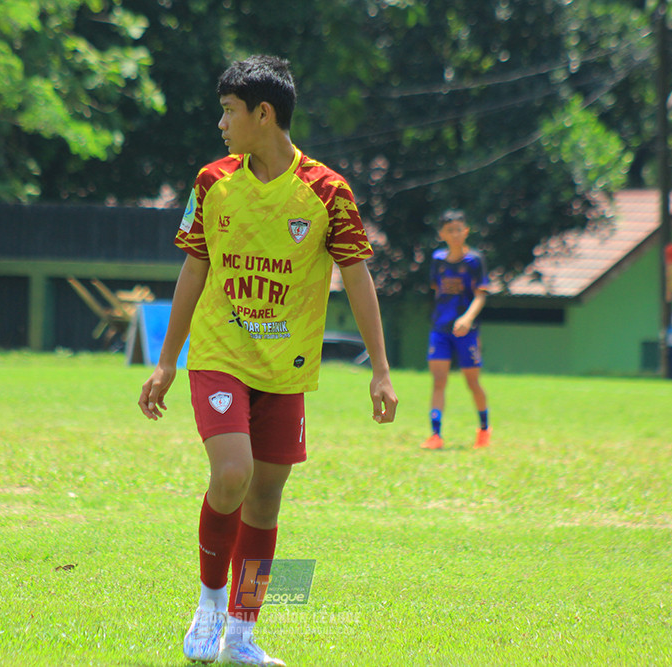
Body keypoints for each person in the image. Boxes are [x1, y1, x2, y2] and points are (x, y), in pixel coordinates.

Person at [137, 55, 398, 666]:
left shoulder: (327, 192)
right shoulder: (212, 182)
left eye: (229, 111)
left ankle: (242, 633)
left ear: (263, 114)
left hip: (286, 368)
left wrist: (381, 370)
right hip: (220, 354)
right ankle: (209, 607)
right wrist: (167, 361)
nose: (221, 123)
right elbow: (194, 268)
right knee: (233, 474)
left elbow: (358, 277)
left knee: (266, 499)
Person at [420, 209, 491, 450]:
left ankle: (484, 429)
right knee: (439, 381)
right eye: (449, 230)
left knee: (472, 382)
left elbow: (481, 295)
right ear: (442, 234)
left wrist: (467, 318)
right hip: (440, 329)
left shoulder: (475, 261)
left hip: (466, 332)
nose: (455, 234)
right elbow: (437, 291)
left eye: (459, 229)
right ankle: (435, 434)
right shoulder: (438, 260)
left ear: (466, 231)